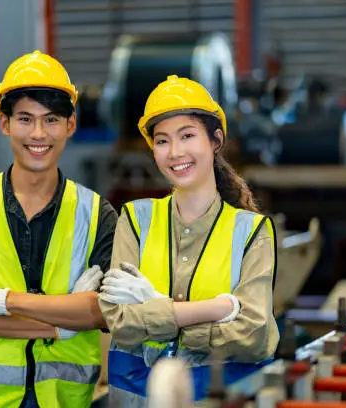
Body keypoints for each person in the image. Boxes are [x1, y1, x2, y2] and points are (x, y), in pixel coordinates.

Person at [0, 50, 117, 408]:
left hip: (65, 400)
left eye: (51, 119)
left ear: (70, 125)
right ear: (4, 124)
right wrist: (63, 323)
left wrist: (2, 300)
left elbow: (103, 311)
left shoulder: (97, 214)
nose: (38, 134)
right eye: (25, 119)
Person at [98, 75, 280, 406]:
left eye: (187, 135)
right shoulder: (135, 221)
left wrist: (156, 306)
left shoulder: (251, 231)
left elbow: (253, 336)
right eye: (162, 140)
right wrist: (217, 309)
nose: (175, 152)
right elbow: (120, 322)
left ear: (215, 141)